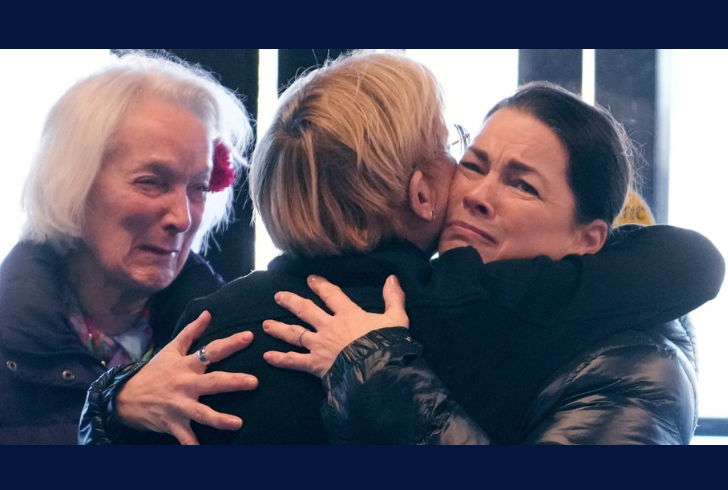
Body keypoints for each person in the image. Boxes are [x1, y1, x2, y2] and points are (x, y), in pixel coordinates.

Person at [79, 51, 723, 445]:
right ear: (421, 194)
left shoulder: (217, 320)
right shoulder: (454, 313)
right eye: (466, 159)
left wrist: (111, 408)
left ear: (590, 238)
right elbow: (689, 264)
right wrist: (113, 405)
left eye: (521, 183)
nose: (475, 193)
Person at [0, 50, 257, 445]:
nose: (183, 218)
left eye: (199, 188)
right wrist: (109, 414)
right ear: (73, 183)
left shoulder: (234, 337)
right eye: (150, 182)